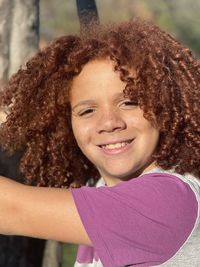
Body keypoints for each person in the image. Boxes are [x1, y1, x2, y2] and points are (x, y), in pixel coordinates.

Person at [0, 19, 199, 267]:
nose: (109, 122)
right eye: (87, 111)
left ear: (165, 106)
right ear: (64, 123)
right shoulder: (100, 188)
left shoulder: (164, 202)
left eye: (129, 102)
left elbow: (10, 209)